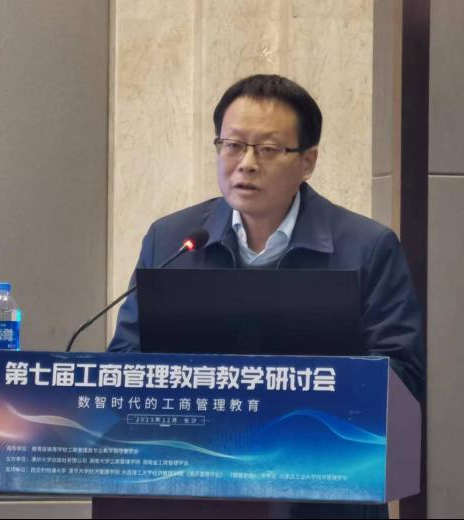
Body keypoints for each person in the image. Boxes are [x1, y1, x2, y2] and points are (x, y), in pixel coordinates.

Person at [108, 74, 424, 519]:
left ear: (308, 161)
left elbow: (403, 376)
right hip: (196, 485)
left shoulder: (367, 247)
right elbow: (125, 361)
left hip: (324, 490)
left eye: (269, 149)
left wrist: (295, 399)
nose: (246, 164)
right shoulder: (172, 240)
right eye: (233, 145)